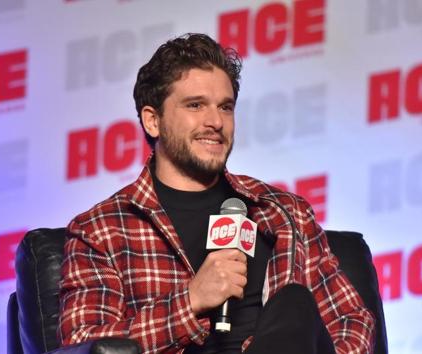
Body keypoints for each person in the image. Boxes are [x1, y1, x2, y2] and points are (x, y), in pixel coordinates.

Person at [58, 33, 375, 354]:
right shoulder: (101, 229)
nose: (215, 122)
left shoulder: (283, 211)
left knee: (294, 301)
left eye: (225, 107)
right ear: (153, 121)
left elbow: (350, 320)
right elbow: (86, 345)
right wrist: (191, 300)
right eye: (195, 105)